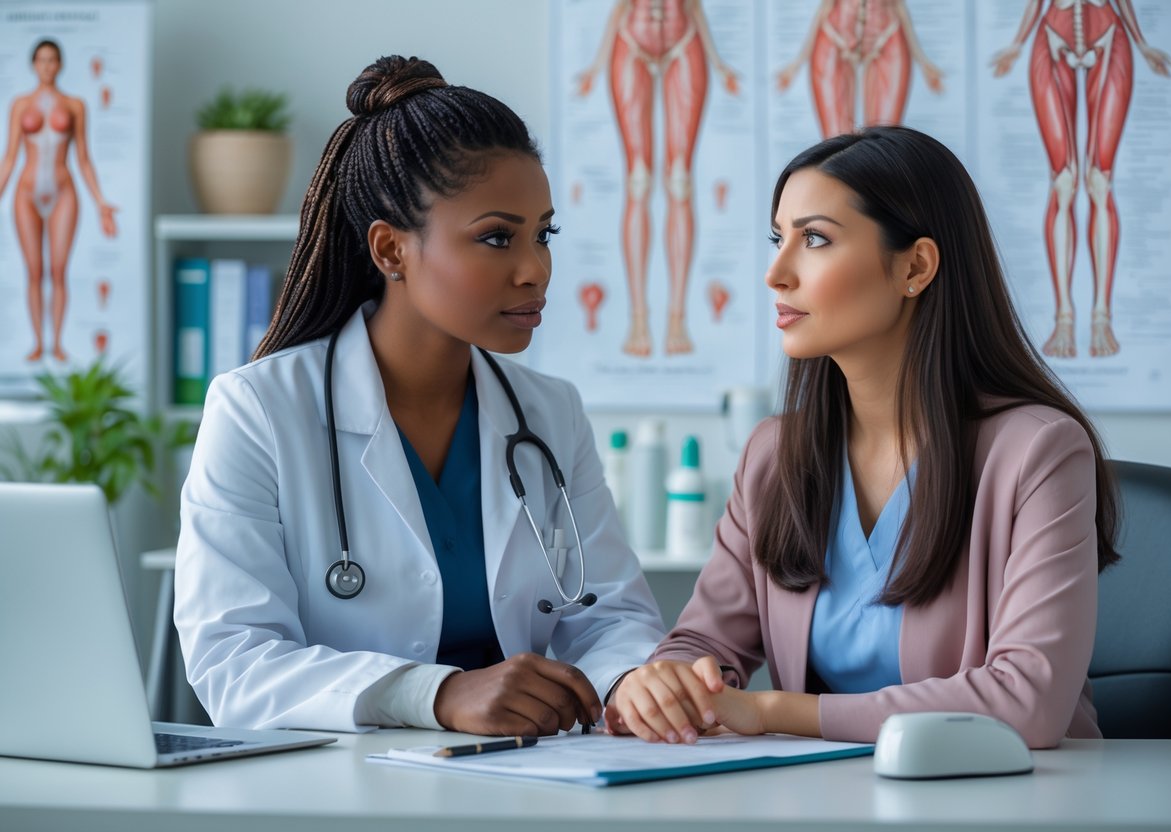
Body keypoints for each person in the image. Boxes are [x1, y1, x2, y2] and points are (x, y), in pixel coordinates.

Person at [174, 56, 666, 735]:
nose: (534, 270)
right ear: (390, 250)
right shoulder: (257, 410)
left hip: (532, 772)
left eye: (542, 235)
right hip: (339, 785)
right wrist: (433, 696)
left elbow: (610, 618)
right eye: (496, 237)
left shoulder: (549, 413)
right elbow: (232, 662)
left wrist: (634, 680)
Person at [607, 125, 1120, 749]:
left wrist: (772, 710)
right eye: (778, 239)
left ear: (916, 266)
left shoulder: (1037, 452)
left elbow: (1027, 702)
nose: (775, 273)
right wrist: (660, 684)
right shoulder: (773, 456)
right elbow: (705, 643)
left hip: (1013, 799)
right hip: (826, 799)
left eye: (815, 239)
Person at [991, 0, 1171, 358]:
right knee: (1064, 182)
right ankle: (1064, 318)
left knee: (1098, 181)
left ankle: (1101, 317)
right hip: (1052, 36)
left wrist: (1141, 43)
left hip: (1109, 37)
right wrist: (1017, 43)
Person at [575, 0, 740, 357]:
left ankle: (677, 320)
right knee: (638, 181)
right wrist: (594, 67)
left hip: (685, 35)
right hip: (632, 36)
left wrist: (719, 63)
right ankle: (638, 321)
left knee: (680, 181)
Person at [0, 39, 118, 363]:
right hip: (26, 192)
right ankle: (39, 342)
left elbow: (83, 158)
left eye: (53, 60)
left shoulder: (76, 105)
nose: (47, 66)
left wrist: (100, 202)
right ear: (33, 65)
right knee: (34, 271)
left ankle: (58, 344)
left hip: (64, 191)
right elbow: (10, 156)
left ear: (61, 64)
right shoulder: (20, 105)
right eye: (41, 60)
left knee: (58, 270)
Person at [775, 0, 944, 137]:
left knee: (884, 141)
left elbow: (898, 5)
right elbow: (825, 7)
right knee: (835, 142)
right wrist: (796, 65)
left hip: (887, 34)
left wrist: (923, 62)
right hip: (834, 36)